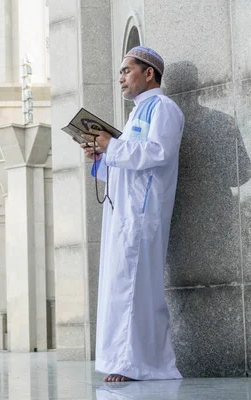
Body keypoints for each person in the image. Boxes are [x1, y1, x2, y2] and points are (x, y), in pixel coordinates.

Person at [80, 46, 184, 382]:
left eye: (127, 71)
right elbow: (126, 163)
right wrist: (99, 155)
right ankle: (130, 362)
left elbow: (158, 152)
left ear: (148, 72)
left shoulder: (163, 109)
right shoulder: (137, 114)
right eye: (121, 73)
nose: (122, 78)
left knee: (133, 288)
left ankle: (133, 364)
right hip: (124, 216)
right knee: (122, 287)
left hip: (142, 215)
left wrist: (112, 145)